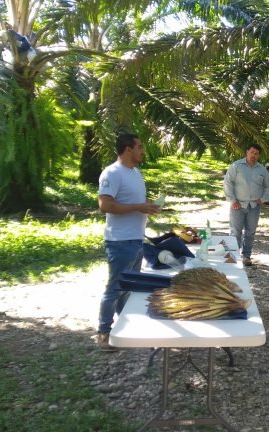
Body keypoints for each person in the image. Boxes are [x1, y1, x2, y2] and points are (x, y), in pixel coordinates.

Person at [96, 133, 161, 351]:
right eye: (139, 146)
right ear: (127, 149)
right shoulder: (112, 173)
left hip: (135, 238)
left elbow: (133, 202)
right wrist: (137, 207)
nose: (142, 150)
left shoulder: (135, 173)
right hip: (120, 241)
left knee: (129, 286)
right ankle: (104, 333)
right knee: (115, 287)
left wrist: (148, 205)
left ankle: (125, 327)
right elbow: (105, 205)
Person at [223, 143, 269, 266]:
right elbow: (227, 183)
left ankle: (246, 256)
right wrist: (232, 200)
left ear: (259, 155)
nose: (254, 155)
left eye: (256, 154)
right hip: (237, 205)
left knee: (250, 233)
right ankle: (233, 256)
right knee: (235, 231)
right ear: (247, 152)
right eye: (252, 152)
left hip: (254, 206)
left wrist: (262, 199)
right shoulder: (236, 166)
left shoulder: (262, 169)